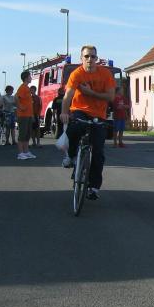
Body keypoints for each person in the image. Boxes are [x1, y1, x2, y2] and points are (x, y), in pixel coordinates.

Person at [60, 45, 116, 200]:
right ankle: (71, 156)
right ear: (81, 58)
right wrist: (64, 112)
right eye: (86, 56)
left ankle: (93, 187)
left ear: (96, 58)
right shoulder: (77, 74)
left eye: (93, 56)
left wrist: (90, 93)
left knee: (98, 152)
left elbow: (111, 97)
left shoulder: (105, 74)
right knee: (75, 127)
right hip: (80, 110)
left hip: (99, 114)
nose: (90, 59)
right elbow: (68, 95)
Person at [15, 71, 35, 160]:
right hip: (23, 115)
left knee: (27, 134)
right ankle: (20, 153)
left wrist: (32, 115)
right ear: (26, 78)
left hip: (28, 115)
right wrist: (20, 107)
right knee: (22, 134)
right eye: (30, 76)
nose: (31, 78)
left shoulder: (26, 87)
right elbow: (16, 97)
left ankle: (26, 152)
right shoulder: (22, 87)